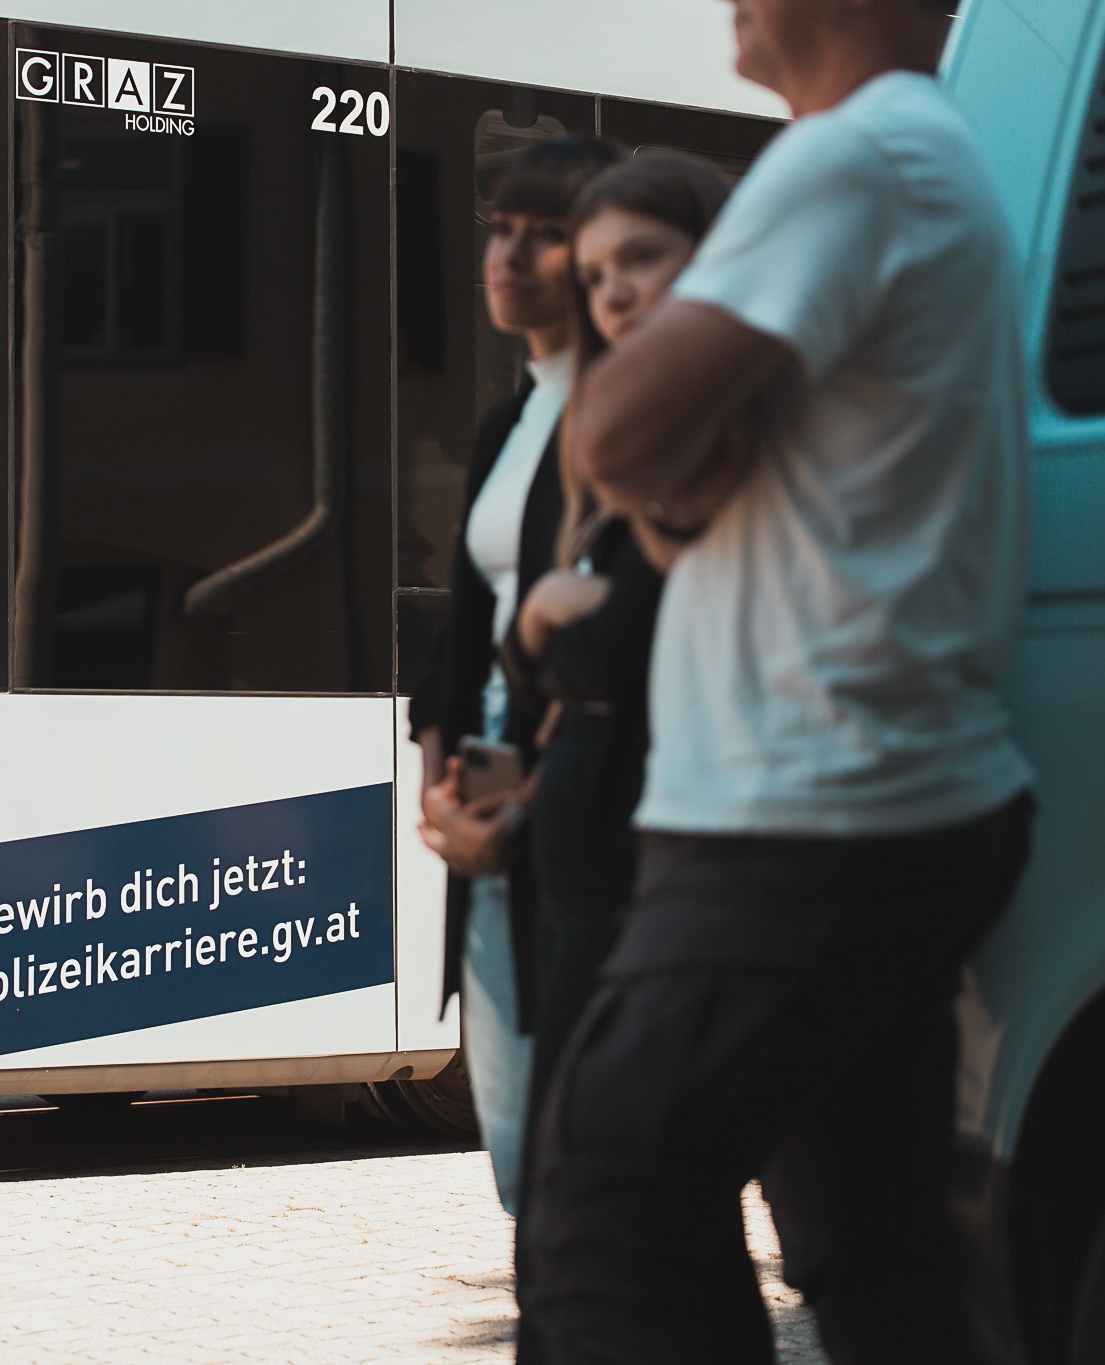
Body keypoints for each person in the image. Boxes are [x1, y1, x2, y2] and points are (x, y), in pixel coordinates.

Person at [521, 1, 1035, 1362]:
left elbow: (621, 426)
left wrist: (654, 453)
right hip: (881, 800)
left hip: (801, 815)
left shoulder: (845, 159)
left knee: (604, 1218)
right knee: (874, 1267)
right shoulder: (932, 153)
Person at [497, 152, 730, 1365]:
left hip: (647, 857)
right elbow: (548, 644)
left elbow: (631, 633)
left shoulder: (702, 412)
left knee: (600, 1208)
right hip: (577, 850)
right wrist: (540, 630)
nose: (616, 291)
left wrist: (546, 620)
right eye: (596, 273)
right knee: (603, 1206)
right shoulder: (601, 424)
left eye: (643, 257)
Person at [413, 137, 622, 1216]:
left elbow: (634, 645)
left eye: (547, 231)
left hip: (577, 796)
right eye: (501, 225)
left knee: (584, 1170)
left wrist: (527, 804)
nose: (509, 252)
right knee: (516, 1168)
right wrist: (435, 770)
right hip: (491, 796)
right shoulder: (505, 423)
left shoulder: (627, 415)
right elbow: (462, 623)